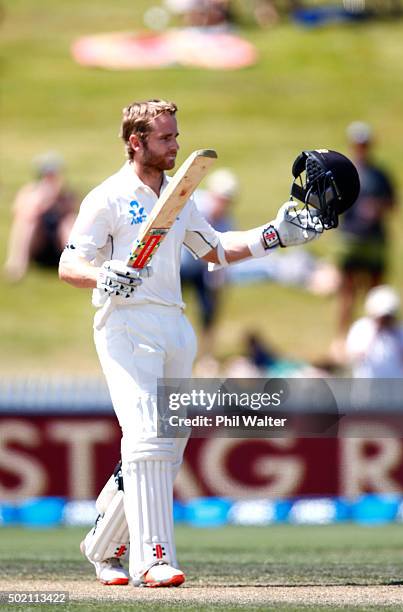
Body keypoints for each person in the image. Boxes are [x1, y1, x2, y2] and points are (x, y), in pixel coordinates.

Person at [58, 99, 328, 588]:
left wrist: (277, 234)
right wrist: (105, 273)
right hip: (126, 324)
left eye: (176, 136)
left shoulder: (177, 195)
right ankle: (152, 558)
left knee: (169, 442)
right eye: (165, 139)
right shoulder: (108, 197)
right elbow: (68, 264)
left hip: (174, 325)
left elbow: (216, 250)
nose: (176, 145)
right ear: (135, 142)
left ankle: (101, 546)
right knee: (145, 437)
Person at [335, 121, 397, 345]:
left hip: (374, 240)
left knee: (375, 293)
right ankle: (342, 339)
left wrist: (377, 207)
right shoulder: (344, 172)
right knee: (347, 293)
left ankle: (376, 339)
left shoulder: (380, 175)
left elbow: (393, 203)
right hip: (350, 238)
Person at [180, 168, 237, 356]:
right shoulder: (193, 205)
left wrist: (218, 282)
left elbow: (223, 253)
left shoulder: (226, 222)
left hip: (202, 269)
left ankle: (206, 354)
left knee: (209, 309)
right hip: (178, 265)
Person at [4, 152, 77, 282]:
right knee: (28, 223)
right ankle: (17, 264)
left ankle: (76, 262)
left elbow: (73, 214)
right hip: (38, 244)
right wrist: (45, 200)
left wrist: (57, 199)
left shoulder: (66, 194)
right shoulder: (30, 192)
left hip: (58, 246)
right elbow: (22, 213)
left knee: (68, 222)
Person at [346, 285, 403, 378]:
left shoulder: (402, 330)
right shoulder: (362, 328)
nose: (385, 320)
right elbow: (354, 355)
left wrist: (396, 335)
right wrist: (375, 332)